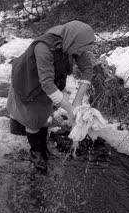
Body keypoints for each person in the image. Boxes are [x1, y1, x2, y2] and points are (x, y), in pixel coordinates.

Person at [7, 20, 95, 172]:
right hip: (29, 80)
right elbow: (47, 84)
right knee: (33, 120)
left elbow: (87, 68)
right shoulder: (44, 48)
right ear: (73, 41)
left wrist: (77, 100)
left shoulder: (73, 40)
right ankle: (36, 153)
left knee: (43, 116)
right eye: (80, 50)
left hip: (48, 84)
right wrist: (70, 109)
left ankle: (43, 147)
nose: (80, 53)